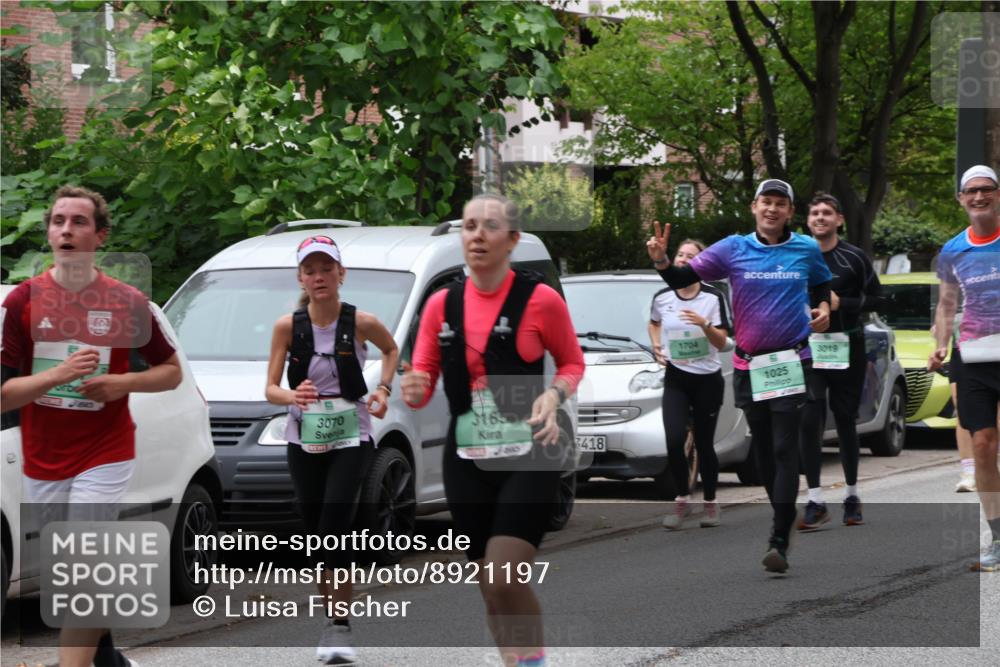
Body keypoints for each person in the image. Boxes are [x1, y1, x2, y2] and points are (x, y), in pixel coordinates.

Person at [1, 185, 182, 667]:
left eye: (78, 222)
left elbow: (171, 373)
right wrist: (56, 377)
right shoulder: (22, 303)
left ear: (99, 236)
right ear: (49, 233)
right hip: (43, 459)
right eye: (58, 221)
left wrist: (123, 383)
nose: (66, 229)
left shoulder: (126, 301)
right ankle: (108, 659)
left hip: (106, 449)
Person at [400, 193, 584, 667]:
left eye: (489, 226)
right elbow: (420, 383)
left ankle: (534, 662)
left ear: (512, 240)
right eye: (469, 226)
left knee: (505, 576)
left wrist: (553, 395)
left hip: (530, 452)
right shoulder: (442, 304)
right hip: (467, 460)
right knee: (489, 586)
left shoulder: (539, 299)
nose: (477, 235)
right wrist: (413, 385)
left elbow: (571, 363)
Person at [648, 178, 832, 573]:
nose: (772, 209)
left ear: (789, 212)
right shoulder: (733, 248)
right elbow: (682, 280)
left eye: (780, 203)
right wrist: (663, 261)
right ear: (754, 207)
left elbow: (822, 284)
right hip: (750, 364)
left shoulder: (805, 248)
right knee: (764, 454)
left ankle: (779, 539)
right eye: (766, 202)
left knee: (784, 450)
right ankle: (783, 518)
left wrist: (823, 309)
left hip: (791, 361)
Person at [264, 235, 399, 664]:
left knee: (335, 524)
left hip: (351, 434)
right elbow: (270, 389)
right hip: (304, 436)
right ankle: (331, 621)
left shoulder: (361, 321)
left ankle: (339, 628)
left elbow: (392, 349)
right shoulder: (288, 326)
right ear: (301, 277)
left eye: (327, 268)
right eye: (310, 270)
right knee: (315, 526)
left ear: (342, 273)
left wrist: (382, 388)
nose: (319, 277)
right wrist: (292, 396)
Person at [928, 164, 1000, 572]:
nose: (978, 197)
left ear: (998, 194)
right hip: (972, 357)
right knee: (983, 443)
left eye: (985, 189)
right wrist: (940, 344)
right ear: (960, 199)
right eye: (970, 191)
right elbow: (947, 304)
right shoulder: (954, 249)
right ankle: (998, 536)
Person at [798, 193, 883, 530]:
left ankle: (851, 495)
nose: (820, 218)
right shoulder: (797, 255)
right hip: (808, 348)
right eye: (815, 213)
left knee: (845, 419)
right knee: (809, 416)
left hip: (847, 345)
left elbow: (879, 298)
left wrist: (841, 302)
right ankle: (815, 499)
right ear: (807, 220)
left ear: (839, 220)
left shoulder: (853, 257)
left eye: (827, 213)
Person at [647, 239, 732, 529]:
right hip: (676, 378)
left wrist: (704, 325)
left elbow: (722, 342)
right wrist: (657, 344)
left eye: (690, 255)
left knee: (705, 444)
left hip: (707, 379)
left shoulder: (712, 297)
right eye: (680, 254)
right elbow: (654, 322)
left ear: (701, 263)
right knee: (673, 440)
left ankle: (710, 503)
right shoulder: (662, 296)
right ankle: (682, 499)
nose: (683, 258)